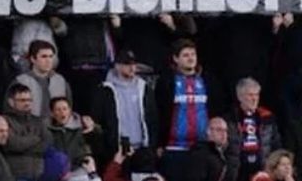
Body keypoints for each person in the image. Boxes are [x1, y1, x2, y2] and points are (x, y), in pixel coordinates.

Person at [155, 40, 223, 180]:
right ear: (175, 58)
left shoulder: (207, 80)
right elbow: (159, 113)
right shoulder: (167, 81)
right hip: (175, 148)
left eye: (193, 54)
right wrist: (159, 143)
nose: (191, 58)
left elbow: (215, 111)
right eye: (186, 55)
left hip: (201, 148)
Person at [92, 49, 158, 161]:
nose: (132, 68)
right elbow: (98, 121)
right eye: (127, 64)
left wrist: (152, 145)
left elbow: (153, 118)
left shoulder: (144, 88)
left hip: (143, 150)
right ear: (117, 66)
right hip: (116, 152)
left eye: (134, 64)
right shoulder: (105, 90)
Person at [225, 78, 281, 181]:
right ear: (240, 97)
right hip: (237, 173)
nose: (254, 99)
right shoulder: (230, 118)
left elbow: (276, 145)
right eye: (250, 95)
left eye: (257, 95)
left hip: (262, 172)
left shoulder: (267, 117)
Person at [1, 84, 53, 181]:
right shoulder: (4, 121)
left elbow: (47, 143)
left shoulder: (38, 121)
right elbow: (13, 144)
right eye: (22, 100)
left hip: (39, 174)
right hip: (15, 175)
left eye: (29, 100)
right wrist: (35, 139)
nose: (27, 103)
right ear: (11, 102)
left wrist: (23, 149)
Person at [12, 40, 71, 118]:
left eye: (51, 56)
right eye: (44, 56)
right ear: (33, 59)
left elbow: (69, 109)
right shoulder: (21, 81)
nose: (48, 60)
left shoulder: (60, 81)